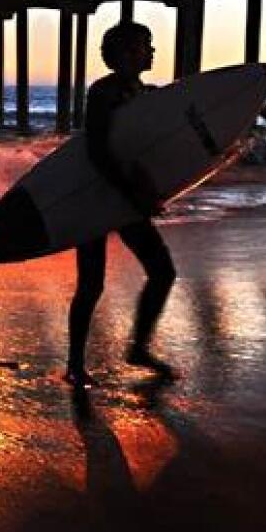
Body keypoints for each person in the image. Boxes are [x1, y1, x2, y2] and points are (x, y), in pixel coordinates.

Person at [66, 19, 178, 388]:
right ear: (127, 52)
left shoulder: (143, 93)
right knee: (91, 285)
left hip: (125, 197)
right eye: (146, 45)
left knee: (162, 271)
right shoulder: (104, 92)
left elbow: (184, 117)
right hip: (96, 197)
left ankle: (139, 349)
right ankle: (75, 364)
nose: (153, 51)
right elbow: (98, 151)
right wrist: (134, 194)